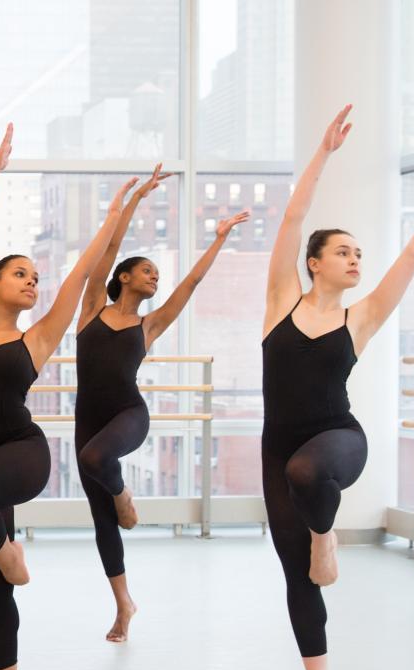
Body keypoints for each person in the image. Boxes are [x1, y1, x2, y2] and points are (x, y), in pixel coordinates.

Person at [262, 104, 414, 670]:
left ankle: (327, 533)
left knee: (311, 473)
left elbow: (411, 256)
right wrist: (322, 154)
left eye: (359, 254)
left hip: (338, 443)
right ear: (314, 263)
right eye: (345, 253)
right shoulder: (278, 301)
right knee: (297, 578)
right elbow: (294, 217)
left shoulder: (363, 318)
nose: (357, 261)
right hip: (279, 452)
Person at [0, 124, 133, 670]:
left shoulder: (37, 338)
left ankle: (10, 553)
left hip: (22, 457)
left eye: (34, 277)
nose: (32, 281)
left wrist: (112, 218)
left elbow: (81, 276)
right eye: (20, 274)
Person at [75, 164, 248, 642]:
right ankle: (123, 604)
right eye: (147, 271)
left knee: (95, 461)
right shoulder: (91, 309)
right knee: (100, 517)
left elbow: (188, 287)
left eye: (157, 275)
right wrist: (134, 200)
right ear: (124, 277)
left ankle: (124, 495)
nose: (155, 278)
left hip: (129, 415)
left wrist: (218, 239)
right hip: (87, 419)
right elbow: (107, 249)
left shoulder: (147, 326)